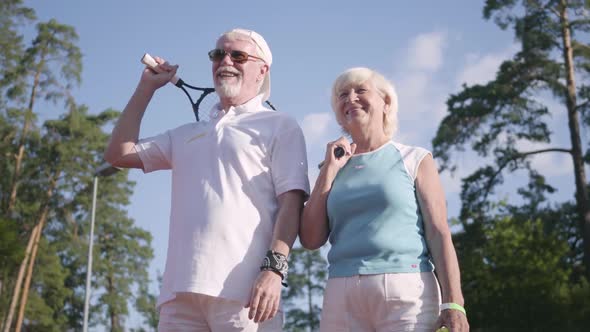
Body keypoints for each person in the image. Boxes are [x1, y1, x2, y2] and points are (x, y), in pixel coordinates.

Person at [104, 28, 310, 331]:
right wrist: (146, 88)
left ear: (262, 70)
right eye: (218, 54)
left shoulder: (280, 125)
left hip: (246, 294)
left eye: (238, 55)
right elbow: (119, 154)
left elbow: (291, 203)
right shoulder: (185, 134)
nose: (225, 61)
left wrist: (274, 270)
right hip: (178, 295)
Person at [300, 67, 469, 332]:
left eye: (361, 90)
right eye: (342, 95)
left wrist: (454, 304)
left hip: (406, 289)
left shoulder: (415, 159)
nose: (351, 98)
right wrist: (327, 172)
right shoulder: (331, 166)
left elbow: (438, 232)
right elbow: (310, 239)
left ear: (386, 102)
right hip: (340, 292)